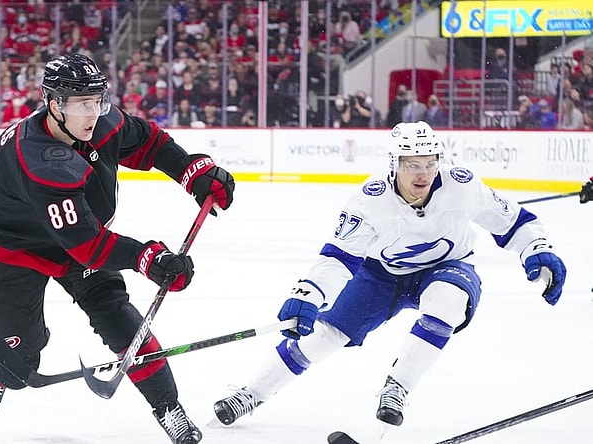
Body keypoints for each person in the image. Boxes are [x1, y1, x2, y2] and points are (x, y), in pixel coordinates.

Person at [212, 121, 566, 429]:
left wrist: (538, 249)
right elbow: (338, 258)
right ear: (394, 163)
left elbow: (516, 221)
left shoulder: (462, 185)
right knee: (324, 336)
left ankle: (398, 387)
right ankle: (252, 392)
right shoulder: (369, 202)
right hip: (379, 275)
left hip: (448, 267)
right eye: (413, 164)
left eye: (429, 163)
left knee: (447, 302)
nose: (423, 174)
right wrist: (309, 294)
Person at [0, 53, 235, 444]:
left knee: (121, 320)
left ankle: (169, 409)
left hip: (75, 236)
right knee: (21, 363)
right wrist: (148, 258)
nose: (93, 113)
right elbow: (88, 246)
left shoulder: (101, 121)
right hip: (11, 251)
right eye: (81, 104)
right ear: (54, 104)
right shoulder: (40, 159)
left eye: (97, 100)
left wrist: (192, 171)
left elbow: (151, 143)